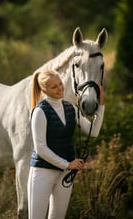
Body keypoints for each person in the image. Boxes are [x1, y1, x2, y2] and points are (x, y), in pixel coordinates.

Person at [27, 69, 105, 219]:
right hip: (43, 172)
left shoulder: (70, 108)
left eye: (60, 84)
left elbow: (93, 131)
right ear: (44, 89)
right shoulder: (39, 112)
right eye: (54, 87)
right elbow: (41, 148)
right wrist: (67, 164)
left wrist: (101, 105)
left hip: (65, 174)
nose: (60, 88)